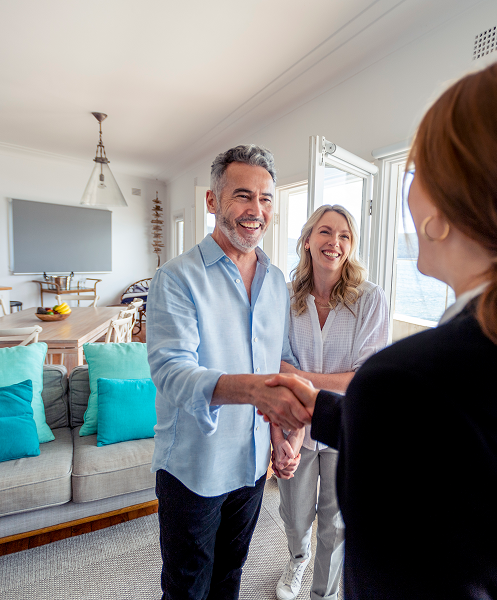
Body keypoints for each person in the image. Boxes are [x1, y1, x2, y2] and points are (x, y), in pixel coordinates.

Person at [267, 58, 497, 599]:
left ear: (439, 210)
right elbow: (461, 453)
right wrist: (317, 407)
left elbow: (427, 432)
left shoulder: (405, 382)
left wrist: (357, 404)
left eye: (416, 174)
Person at [147, 144, 310, 600]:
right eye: (243, 195)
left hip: (253, 463)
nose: (256, 211)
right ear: (213, 201)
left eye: (266, 199)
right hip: (194, 466)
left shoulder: (275, 281)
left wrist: (283, 431)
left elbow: (280, 361)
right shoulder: (176, 278)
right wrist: (259, 393)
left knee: (229, 579)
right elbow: (172, 372)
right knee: (187, 588)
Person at [270, 205, 389, 600]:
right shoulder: (285, 298)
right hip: (295, 423)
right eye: (325, 232)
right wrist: (306, 391)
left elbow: (362, 378)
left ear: (351, 246)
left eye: (344, 235)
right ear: (307, 241)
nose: (333, 242)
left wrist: (302, 380)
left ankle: (324, 594)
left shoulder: (370, 301)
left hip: (343, 426)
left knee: (335, 522)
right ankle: (297, 559)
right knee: (296, 513)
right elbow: (277, 366)